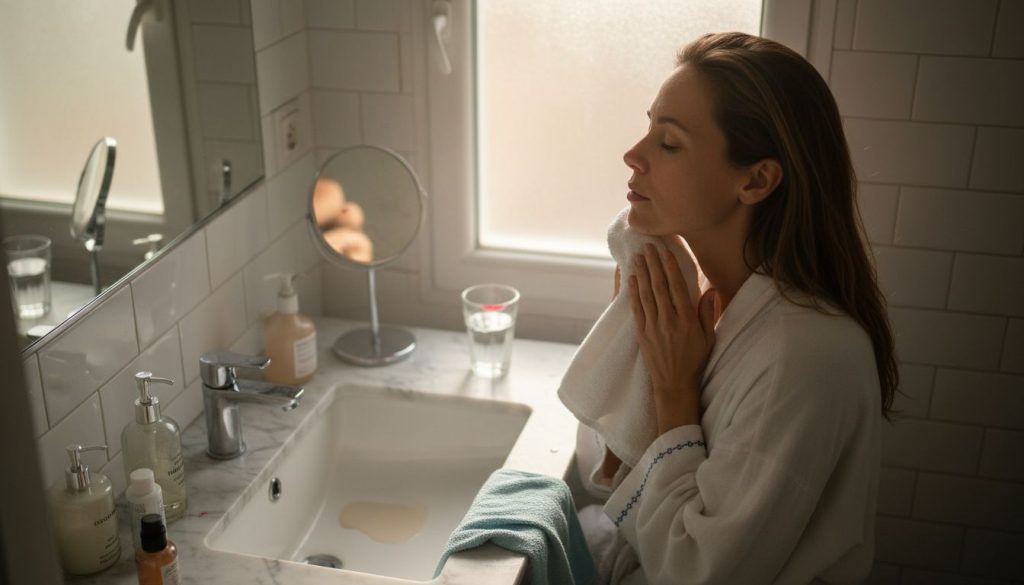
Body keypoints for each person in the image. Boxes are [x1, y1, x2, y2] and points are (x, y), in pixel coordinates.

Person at [575, 32, 897, 585]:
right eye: (650, 126)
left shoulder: (806, 355)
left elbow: (697, 572)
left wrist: (672, 391)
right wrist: (636, 350)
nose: (634, 154)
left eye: (669, 142)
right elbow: (604, 475)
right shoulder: (703, 302)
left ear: (755, 180)